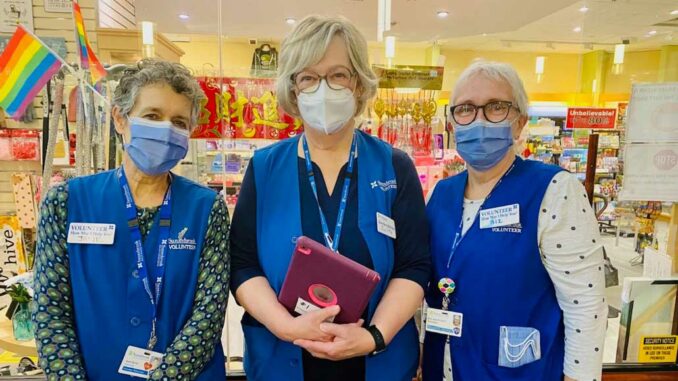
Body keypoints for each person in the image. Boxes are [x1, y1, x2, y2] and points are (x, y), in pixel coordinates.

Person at [230, 15, 431, 381]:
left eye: (338, 74)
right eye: (308, 77)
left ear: (358, 84)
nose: (324, 88)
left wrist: (373, 336)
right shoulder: (264, 169)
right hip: (282, 357)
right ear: (293, 89)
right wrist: (285, 327)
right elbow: (243, 265)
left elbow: (414, 266)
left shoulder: (394, 167)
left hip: (376, 361)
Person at [32, 59, 229, 381]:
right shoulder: (67, 203)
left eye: (179, 122)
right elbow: (50, 311)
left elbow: (208, 314)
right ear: (120, 119)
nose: (166, 129)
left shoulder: (206, 209)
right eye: (152, 116)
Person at [422, 61, 606, 381]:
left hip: (519, 370)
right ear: (452, 124)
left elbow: (585, 302)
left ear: (519, 123)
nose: (478, 119)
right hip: (446, 363)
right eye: (465, 109)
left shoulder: (554, 190)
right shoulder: (442, 193)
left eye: (495, 107)